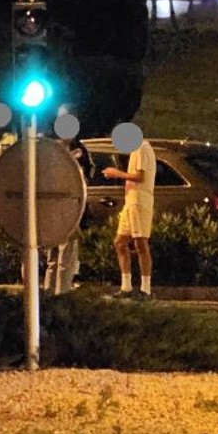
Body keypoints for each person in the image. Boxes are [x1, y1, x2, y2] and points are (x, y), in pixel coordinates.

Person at [43, 115, 95, 295]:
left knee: (58, 253)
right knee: (60, 253)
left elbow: (86, 177)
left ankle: (51, 292)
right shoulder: (62, 150)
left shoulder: (52, 149)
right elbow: (84, 178)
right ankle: (59, 294)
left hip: (60, 205)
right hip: (62, 206)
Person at [103, 138, 156, 300]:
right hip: (131, 201)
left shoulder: (140, 147)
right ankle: (126, 286)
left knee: (141, 243)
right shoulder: (137, 149)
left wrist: (116, 174)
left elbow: (140, 176)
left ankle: (145, 289)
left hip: (139, 201)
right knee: (120, 242)